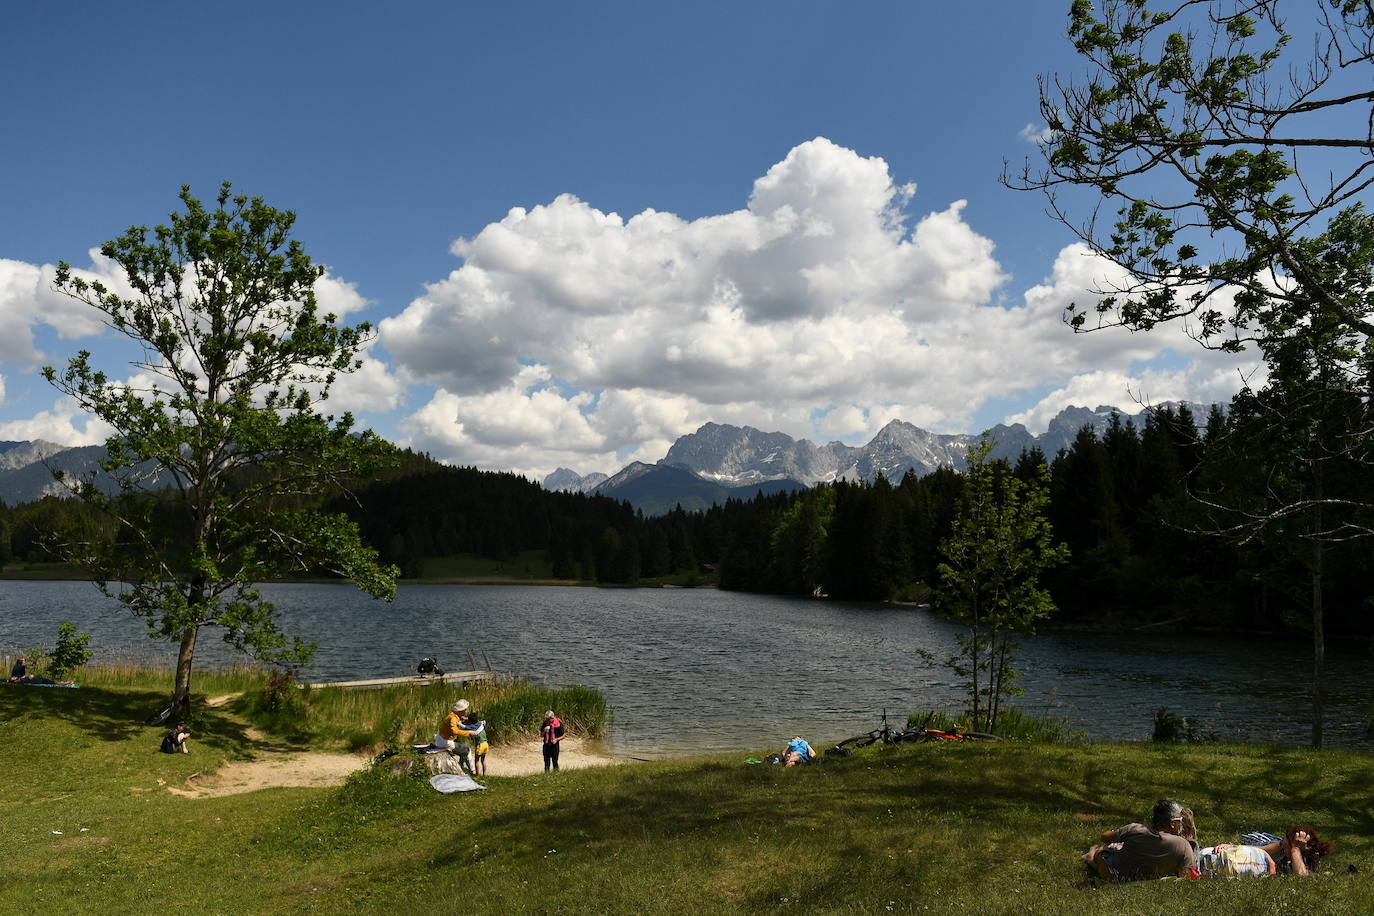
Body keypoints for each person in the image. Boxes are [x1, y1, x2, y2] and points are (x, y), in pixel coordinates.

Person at [1083, 799, 1198, 882]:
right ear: (1173, 824)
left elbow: (1104, 837)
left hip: (1113, 875)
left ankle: (1092, 854)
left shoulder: (1136, 830)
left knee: (1104, 850)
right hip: (1134, 877)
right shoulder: (1183, 846)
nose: (1182, 823)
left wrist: (1121, 832)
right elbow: (1187, 876)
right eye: (1180, 820)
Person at [1249, 826, 1332, 875]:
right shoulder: (1281, 847)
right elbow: (1246, 851)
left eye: (1288, 845)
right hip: (1263, 841)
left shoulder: (1310, 859)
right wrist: (1282, 845)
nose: (1286, 848)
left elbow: (1302, 878)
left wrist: (1295, 850)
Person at [435, 700, 474, 773]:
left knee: (462, 751)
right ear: (461, 710)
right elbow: (454, 731)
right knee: (467, 751)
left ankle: (461, 767)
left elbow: (454, 722)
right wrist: (469, 733)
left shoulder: (452, 715)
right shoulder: (453, 719)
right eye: (465, 710)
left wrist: (461, 720)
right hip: (445, 742)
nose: (466, 711)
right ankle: (472, 771)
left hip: (440, 739)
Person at [463, 710, 489, 777]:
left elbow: (464, 727)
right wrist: (466, 718)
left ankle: (477, 775)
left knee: (477, 760)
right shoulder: (480, 723)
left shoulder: (473, 727)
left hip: (480, 745)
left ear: (470, 721)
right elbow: (479, 721)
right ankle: (484, 775)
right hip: (486, 744)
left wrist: (458, 723)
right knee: (483, 760)